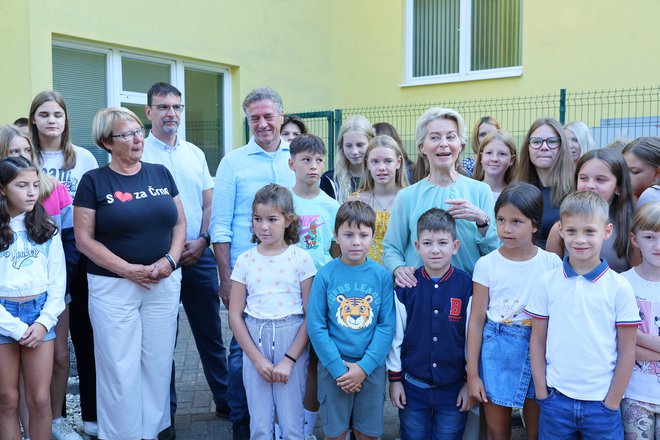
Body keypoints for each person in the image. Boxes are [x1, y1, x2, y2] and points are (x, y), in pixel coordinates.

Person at [73, 107, 186, 440]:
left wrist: (170, 260)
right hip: (113, 287)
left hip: (163, 283)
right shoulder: (94, 181)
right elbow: (84, 240)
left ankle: (152, 432)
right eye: (128, 134)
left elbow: (180, 223)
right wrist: (128, 270)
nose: (138, 138)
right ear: (108, 141)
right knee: (119, 368)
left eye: (139, 131)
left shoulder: (160, 173)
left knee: (157, 364)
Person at [140, 82, 229, 437]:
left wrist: (204, 239)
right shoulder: (140, 152)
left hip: (197, 255)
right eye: (162, 107)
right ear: (148, 112)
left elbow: (209, 203)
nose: (171, 113)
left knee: (211, 335)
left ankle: (226, 401)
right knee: (162, 341)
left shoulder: (194, 153)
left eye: (176, 107)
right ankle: (166, 417)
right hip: (158, 261)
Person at [210, 87, 295, 440]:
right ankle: (243, 424)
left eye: (267, 116)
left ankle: (291, 423)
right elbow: (220, 224)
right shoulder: (233, 162)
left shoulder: (297, 157)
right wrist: (226, 276)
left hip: (291, 270)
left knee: (292, 344)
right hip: (248, 273)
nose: (261, 124)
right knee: (241, 350)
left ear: (281, 116)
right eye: (254, 118)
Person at [526, 191, 641, 440]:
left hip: (602, 404)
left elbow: (628, 350)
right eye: (572, 231)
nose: (580, 240)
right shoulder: (547, 282)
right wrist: (542, 392)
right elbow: (537, 340)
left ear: (606, 232)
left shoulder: (619, 287)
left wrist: (611, 402)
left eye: (590, 231)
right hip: (556, 400)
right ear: (561, 230)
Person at [467, 182, 562, 440]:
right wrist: (473, 374)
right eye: (500, 220)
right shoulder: (486, 264)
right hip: (496, 349)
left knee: (538, 430)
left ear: (534, 225)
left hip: (538, 350)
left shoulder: (551, 263)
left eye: (516, 221)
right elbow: (476, 321)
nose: (506, 229)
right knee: (497, 432)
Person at [29, 90, 98, 440]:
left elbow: (94, 207)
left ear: (66, 119)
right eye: (44, 114)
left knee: (83, 335)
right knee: (48, 339)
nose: (51, 120)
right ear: (33, 120)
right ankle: (47, 418)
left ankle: (90, 415)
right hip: (34, 244)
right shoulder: (26, 156)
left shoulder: (82, 157)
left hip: (75, 243)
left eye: (57, 114)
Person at [0, 124, 73, 439]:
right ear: (3, 189)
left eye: (34, 185)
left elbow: (58, 283)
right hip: (3, 319)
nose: (31, 192)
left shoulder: (45, 228)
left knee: (40, 399)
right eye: (21, 185)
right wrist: (15, 328)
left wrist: (44, 323)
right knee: (7, 399)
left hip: (40, 316)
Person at [228, 184, 316, 440]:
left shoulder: (301, 259)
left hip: (292, 338)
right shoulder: (245, 261)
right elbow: (235, 315)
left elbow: (311, 316)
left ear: (289, 221)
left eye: (272, 219)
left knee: (291, 423)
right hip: (254, 339)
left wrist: (289, 360)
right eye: (258, 219)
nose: (263, 227)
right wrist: (256, 359)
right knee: (260, 425)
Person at [307, 201, 395, 440]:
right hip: (334, 368)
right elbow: (316, 326)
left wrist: (364, 368)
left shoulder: (382, 276)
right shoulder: (325, 275)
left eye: (363, 235)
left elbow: (386, 326)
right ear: (336, 236)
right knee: (335, 434)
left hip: (371, 369)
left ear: (373, 236)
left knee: (366, 433)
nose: (356, 241)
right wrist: (338, 369)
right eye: (348, 234)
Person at [382, 107, 499, 282]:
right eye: (435, 137)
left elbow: (495, 252)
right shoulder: (407, 197)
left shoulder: (481, 191)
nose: (443, 143)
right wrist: (398, 268)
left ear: (461, 145)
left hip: (467, 294)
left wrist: (483, 221)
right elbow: (391, 248)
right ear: (422, 147)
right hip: (419, 293)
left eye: (451, 136)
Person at [387, 208, 473, 440]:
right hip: (413, 388)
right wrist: (395, 381)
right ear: (417, 246)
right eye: (427, 243)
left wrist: (469, 381)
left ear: (455, 246)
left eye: (443, 242)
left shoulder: (466, 287)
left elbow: (470, 339)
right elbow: (397, 337)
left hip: (453, 389)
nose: (435, 250)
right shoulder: (407, 286)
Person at [288, 134, 339, 439]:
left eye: (319, 160)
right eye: (306, 160)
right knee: (287, 357)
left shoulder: (331, 206)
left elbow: (335, 252)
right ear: (291, 163)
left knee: (314, 363)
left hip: (319, 292)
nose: (313, 166)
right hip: (288, 290)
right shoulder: (283, 200)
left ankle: (306, 427)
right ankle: (283, 421)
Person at [546, 148, 638, 272]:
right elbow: (551, 274)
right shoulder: (559, 229)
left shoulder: (630, 226)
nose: (590, 185)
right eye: (584, 178)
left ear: (618, 186)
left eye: (600, 179)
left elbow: (638, 277)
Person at [620, 202, 660, 439]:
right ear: (635, 240)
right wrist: (630, 342)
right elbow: (621, 346)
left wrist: (636, 336)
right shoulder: (622, 284)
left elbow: (630, 342)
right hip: (634, 394)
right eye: (649, 237)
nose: (658, 246)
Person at [348, 135, 409, 264]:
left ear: (398, 162)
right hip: (365, 275)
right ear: (367, 164)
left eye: (388, 161)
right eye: (375, 161)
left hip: (402, 275)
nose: (381, 167)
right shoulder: (355, 201)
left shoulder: (410, 198)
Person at [514, 117, 574, 249]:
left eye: (552, 141)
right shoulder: (516, 191)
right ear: (527, 148)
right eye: (536, 141)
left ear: (562, 147)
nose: (544, 147)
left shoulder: (576, 190)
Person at [320, 116, 375, 203]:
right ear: (342, 146)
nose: (354, 152)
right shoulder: (330, 180)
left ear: (371, 142)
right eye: (348, 146)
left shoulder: (379, 176)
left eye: (360, 145)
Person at [471, 129, 517, 201]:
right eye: (489, 153)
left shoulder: (516, 196)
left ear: (512, 160)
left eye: (502, 154)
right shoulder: (470, 191)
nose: (494, 159)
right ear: (481, 157)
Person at [622, 137, 660, 205]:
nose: (625, 177)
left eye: (635, 171)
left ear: (657, 174)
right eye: (623, 170)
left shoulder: (650, 196)